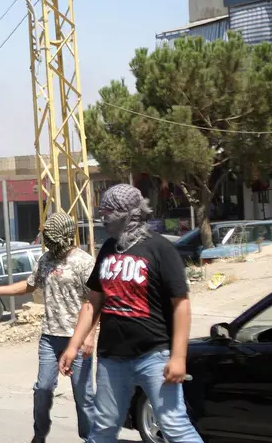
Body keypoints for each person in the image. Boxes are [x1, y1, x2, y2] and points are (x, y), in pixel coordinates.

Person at [59, 184, 204, 443]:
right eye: (102, 210)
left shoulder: (160, 249)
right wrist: (73, 346)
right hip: (111, 359)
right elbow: (93, 302)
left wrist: (179, 357)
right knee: (103, 427)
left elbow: (181, 304)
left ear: (128, 213)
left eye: (109, 211)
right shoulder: (108, 249)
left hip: (153, 356)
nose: (104, 216)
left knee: (174, 426)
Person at [0, 212, 97, 442]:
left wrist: (90, 336)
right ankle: (39, 435)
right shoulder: (45, 260)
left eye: (52, 238)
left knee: (84, 395)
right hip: (50, 337)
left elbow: (96, 301)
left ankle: (91, 438)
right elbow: (29, 286)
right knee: (42, 389)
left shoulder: (84, 262)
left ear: (66, 236)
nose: (48, 242)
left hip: (76, 339)